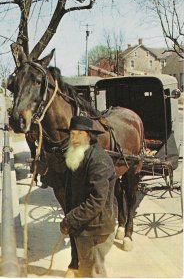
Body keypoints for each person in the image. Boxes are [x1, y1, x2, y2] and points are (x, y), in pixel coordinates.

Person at [58, 115, 117, 278]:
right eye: (72, 134)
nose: (74, 138)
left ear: (89, 136)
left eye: (79, 134)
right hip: (85, 227)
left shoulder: (98, 160)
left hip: (96, 229)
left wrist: (70, 219)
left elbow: (97, 200)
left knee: (92, 273)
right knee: (85, 271)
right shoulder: (78, 155)